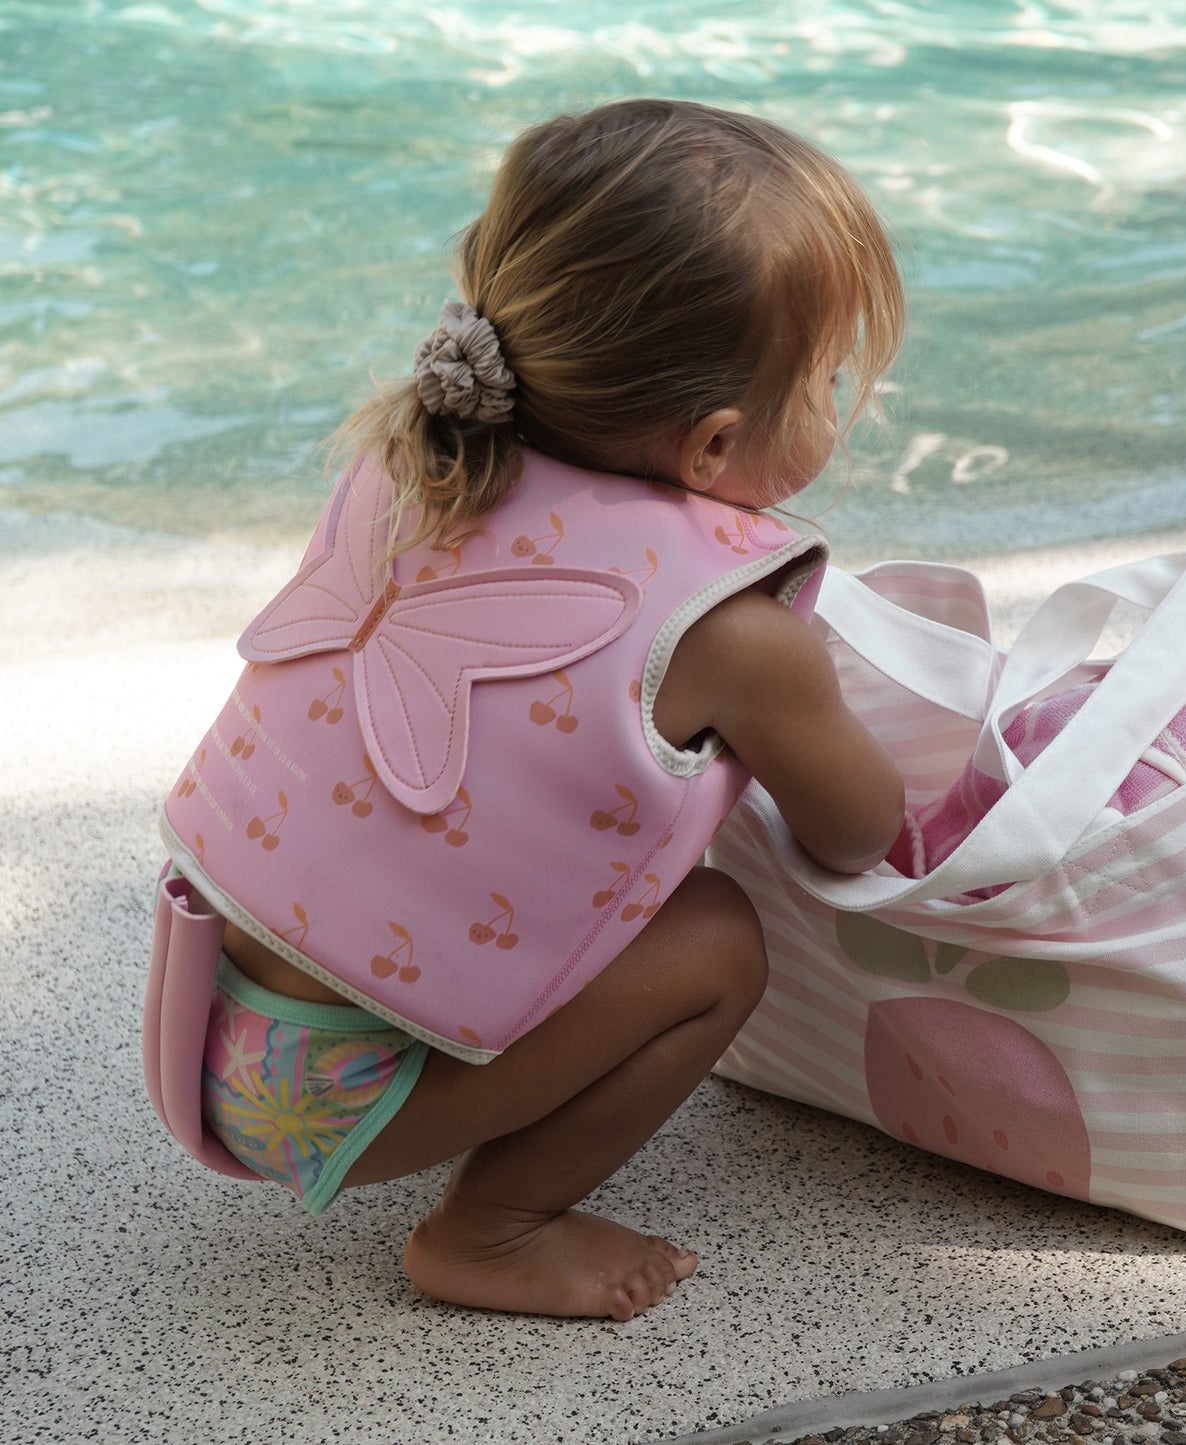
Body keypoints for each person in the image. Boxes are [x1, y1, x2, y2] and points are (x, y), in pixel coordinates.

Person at [149, 98, 905, 1322]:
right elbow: (860, 830)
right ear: (714, 446)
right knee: (717, 939)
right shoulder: (735, 636)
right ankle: (491, 1229)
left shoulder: (417, 468)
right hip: (338, 1098)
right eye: (827, 378)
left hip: (207, 1020)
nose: (841, 398)